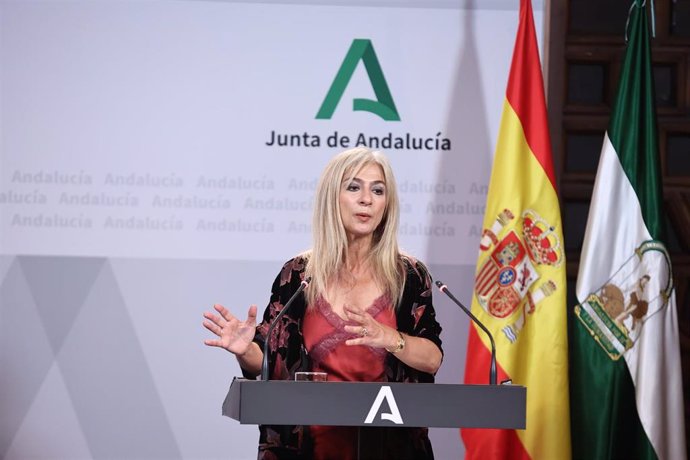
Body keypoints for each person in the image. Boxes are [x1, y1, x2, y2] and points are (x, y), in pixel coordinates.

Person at [202, 147, 443, 460]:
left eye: (378, 190)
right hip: (307, 449)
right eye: (354, 187)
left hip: (390, 447)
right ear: (332, 197)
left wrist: (391, 338)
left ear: (388, 202)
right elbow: (269, 363)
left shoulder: (408, 275)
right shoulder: (299, 274)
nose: (367, 199)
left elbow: (432, 358)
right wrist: (246, 350)